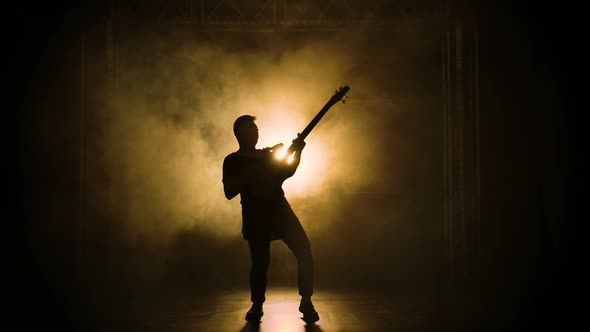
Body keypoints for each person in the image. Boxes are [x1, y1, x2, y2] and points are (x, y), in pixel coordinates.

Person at [222, 115, 319, 323]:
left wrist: (298, 151)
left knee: (304, 250)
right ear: (239, 133)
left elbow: (286, 172)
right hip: (255, 213)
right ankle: (257, 305)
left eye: (256, 128)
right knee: (260, 262)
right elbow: (229, 191)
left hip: (279, 209)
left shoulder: (267, 156)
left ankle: (306, 301)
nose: (256, 131)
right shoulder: (233, 160)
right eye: (250, 128)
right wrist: (252, 173)